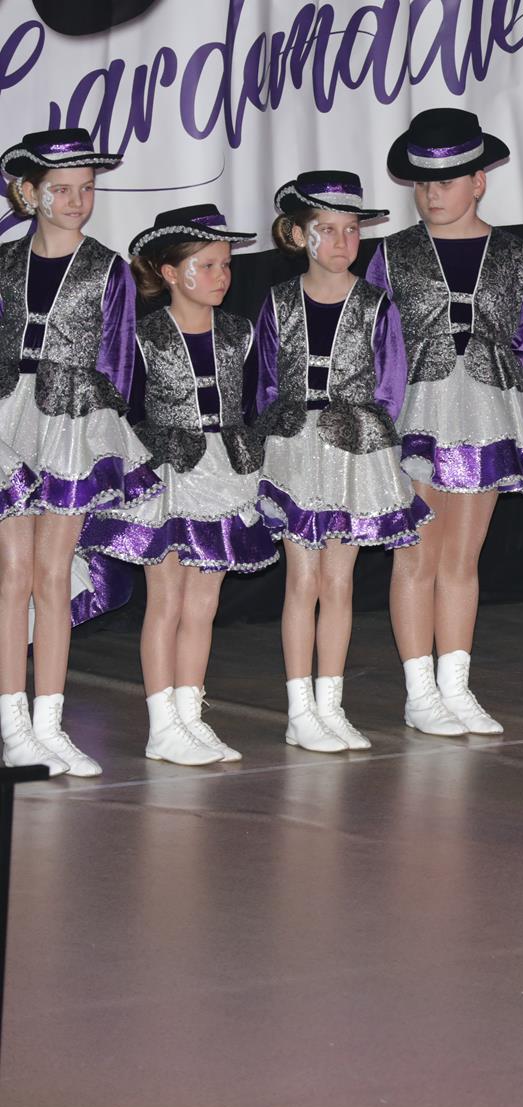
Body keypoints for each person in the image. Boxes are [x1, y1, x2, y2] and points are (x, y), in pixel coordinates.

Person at [371, 107, 523, 737]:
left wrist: (483, 388)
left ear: (478, 182)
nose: (431, 194)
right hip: (415, 416)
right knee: (416, 554)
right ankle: (419, 691)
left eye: (445, 182)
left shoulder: (516, 255)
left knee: (462, 557)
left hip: (485, 412)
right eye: (422, 182)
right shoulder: (393, 254)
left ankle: (455, 684)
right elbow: (374, 339)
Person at [82, 206, 278, 764]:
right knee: (166, 600)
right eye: (207, 265)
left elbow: (252, 405)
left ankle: (191, 716)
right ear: (170, 273)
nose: (222, 275)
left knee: (204, 602)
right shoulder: (143, 337)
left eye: (226, 264)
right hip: (166, 476)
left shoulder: (239, 333)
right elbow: (123, 408)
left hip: (223, 472)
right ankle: (162, 725)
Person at [0, 128, 160, 778]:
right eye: (61, 189)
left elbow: (116, 364)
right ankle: (12, 724)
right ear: (29, 192)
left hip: (70, 426)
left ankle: (49, 722)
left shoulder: (107, 268)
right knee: (12, 575)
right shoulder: (4, 263)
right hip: (8, 421)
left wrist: (99, 440)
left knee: (51, 574)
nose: (75, 201)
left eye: (86, 189)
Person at [253, 171, 428, 753]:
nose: (341, 241)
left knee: (339, 580)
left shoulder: (378, 306)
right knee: (302, 580)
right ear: (297, 234)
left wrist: (376, 450)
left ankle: (331, 704)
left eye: (351, 229)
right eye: (326, 229)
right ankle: (299, 709)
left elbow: (391, 391)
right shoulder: (278, 303)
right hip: (295, 454)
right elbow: (265, 386)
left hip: (356, 454)